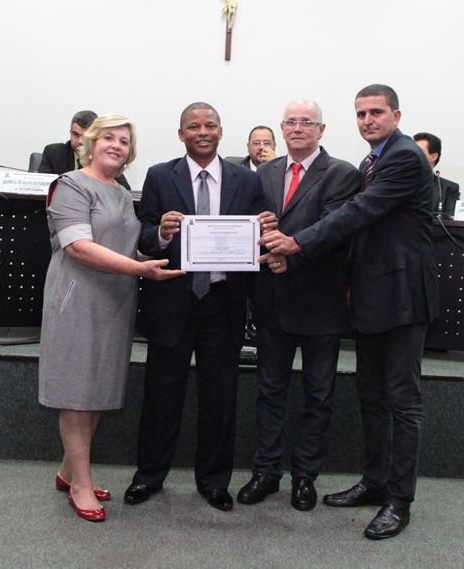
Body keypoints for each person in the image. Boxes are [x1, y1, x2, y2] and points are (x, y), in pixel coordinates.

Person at [261, 84, 439, 540]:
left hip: (401, 296)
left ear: (396, 115)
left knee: (403, 402)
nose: (367, 121)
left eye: (376, 112)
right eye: (361, 114)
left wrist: (297, 242)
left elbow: (360, 211)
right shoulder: (372, 160)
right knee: (371, 396)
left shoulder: (403, 156)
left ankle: (399, 500)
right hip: (372, 296)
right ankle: (376, 481)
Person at [124, 102, 279, 512]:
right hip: (172, 301)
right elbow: (143, 234)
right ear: (181, 135)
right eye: (193, 126)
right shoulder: (160, 175)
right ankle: (148, 476)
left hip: (223, 304)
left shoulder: (247, 179)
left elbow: (258, 234)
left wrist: (265, 229)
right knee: (161, 396)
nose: (203, 132)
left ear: (221, 131)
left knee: (220, 398)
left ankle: (213, 482)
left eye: (210, 125)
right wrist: (161, 233)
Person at [38, 114, 183, 523]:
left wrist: (159, 247)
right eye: (109, 138)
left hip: (114, 300)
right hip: (77, 299)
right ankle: (81, 484)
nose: (117, 145)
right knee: (76, 392)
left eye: (124, 141)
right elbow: (78, 247)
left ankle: (69, 472)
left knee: (98, 388)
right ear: (90, 142)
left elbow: (120, 248)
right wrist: (140, 270)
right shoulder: (69, 184)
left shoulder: (120, 192)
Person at [237, 100, 360, 511]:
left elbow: (335, 230)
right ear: (282, 127)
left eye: (307, 122)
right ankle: (266, 471)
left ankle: (305, 476)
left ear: (322, 130)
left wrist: (290, 256)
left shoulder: (342, 174)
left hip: (320, 303)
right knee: (269, 391)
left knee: (318, 395)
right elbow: (253, 223)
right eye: (291, 121)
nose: (298, 128)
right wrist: (262, 243)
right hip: (272, 300)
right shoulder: (264, 172)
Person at [39, 109, 131, 190]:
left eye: (86, 136)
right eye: (75, 134)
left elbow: (125, 189)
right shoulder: (54, 153)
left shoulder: (103, 157)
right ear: (70, 132)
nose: (80, 141)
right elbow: (42, 187)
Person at [413, 132, 460, 217]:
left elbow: (449, 220)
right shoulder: (396, 182)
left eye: (419, 151)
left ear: (433, 157)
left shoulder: (448, 189)